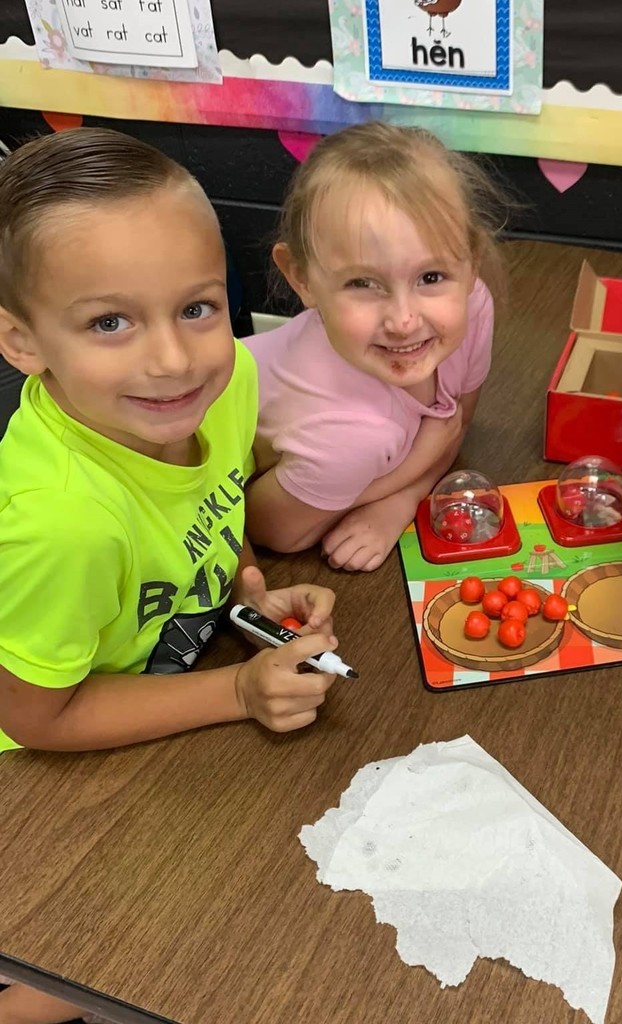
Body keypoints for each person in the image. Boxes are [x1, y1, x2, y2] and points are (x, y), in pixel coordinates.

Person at [0, 125, 347, 1024]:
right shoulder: (59, 523)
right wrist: (237, 692)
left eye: (196, 307)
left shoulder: (218, 385)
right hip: (39, 760)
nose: (171, 359)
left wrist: (244, 584)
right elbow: (39, 717)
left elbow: (212, 499)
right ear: (21, 340)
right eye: (109, 322)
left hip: (152, 678)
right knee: (95, 981)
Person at [244, 121, 505, 571]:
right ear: (300, 278)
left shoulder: (473, 302)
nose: (404, 322)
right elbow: (270, 529)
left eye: (431, 277)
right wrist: (415, 466)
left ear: (471, 260)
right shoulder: (352, 436)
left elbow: (458, 424)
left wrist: (400, 500)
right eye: (362, 283)